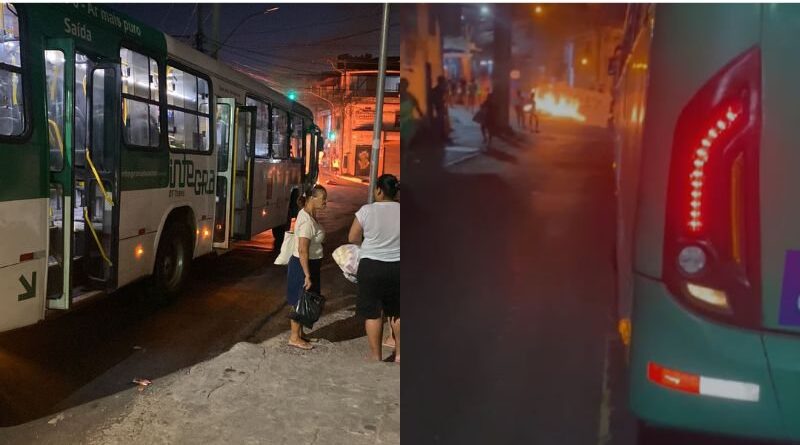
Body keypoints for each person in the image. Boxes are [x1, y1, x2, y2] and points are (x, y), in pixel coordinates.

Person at [348, 174, 400, 363]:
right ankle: (400, 354)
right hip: (398, 267)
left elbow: (353, 237)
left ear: (378, 190)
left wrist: (370, 243)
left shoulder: (366, 211)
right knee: (397, 311)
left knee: (372, 312)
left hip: (371, 267)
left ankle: (375, 355)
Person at [286, 185, 327, 350]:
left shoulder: (310, 215)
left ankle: (300, 334)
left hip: (310, 263)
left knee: (305, 299)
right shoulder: (306, 220)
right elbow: (303, 249)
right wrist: (307, 275)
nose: (326, 202)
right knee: (299, 299)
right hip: (302, 265)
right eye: (323, 198)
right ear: (312, 198)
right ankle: (294, 337)